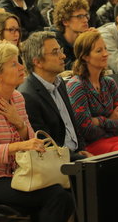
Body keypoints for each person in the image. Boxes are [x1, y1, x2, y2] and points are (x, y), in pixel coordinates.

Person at [0, 41, 75, 222]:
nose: (22, 67)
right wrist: (19, 146)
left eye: (19, 61)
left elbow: (31, 141)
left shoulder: (17, 97)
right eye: (14, 64)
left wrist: (20, 124)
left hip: (17, 174)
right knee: (56, 196)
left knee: (69, 189)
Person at [18, 31, 91, 161]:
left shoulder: (60, 83)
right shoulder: (28, 96)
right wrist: (78, 158)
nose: (63, 56)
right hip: (59, 164)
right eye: (55, 52)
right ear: (38, 62)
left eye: (61, 50)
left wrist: (82, 149)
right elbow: (46, 145)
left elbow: (72, 126)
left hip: (76, 155)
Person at [53, 0, 90, 70]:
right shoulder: (55, 42)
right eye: (79, 16)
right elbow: (67, 68)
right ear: (65, 21)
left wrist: (92, 42)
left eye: (86, 15)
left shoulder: (85, 38)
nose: (85, 20)